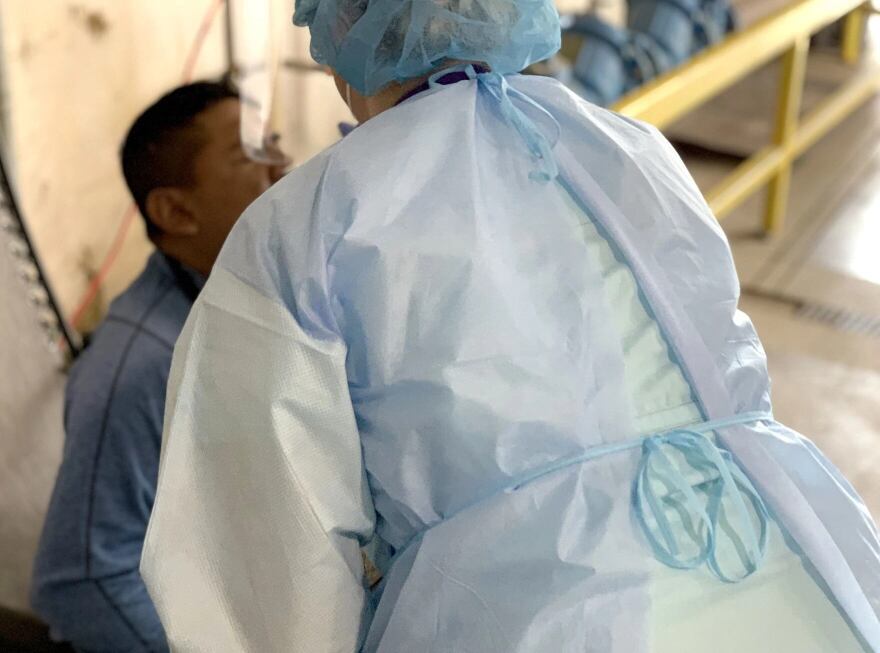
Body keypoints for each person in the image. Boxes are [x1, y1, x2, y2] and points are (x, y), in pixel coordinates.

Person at [141, 2, 880, 652]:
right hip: (786, 563)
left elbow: (264, 563)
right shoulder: (630, 147)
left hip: (527, 614)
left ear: (340, 31)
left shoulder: (304, 224)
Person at [31, 80, 287, 652]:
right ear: (176, 211)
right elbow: (83, 581)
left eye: (275, 142)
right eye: (251, 154)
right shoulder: (139, 367)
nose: (284, 167)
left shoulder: (242, 303)